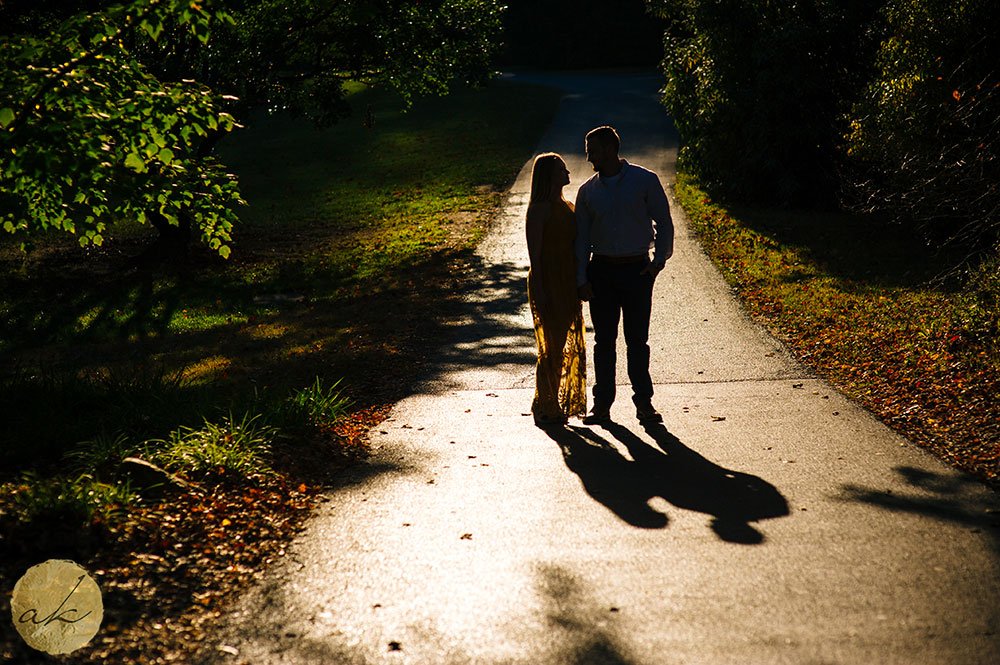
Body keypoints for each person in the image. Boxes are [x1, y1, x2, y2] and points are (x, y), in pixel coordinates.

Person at [574, 126, 673, 424]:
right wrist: (582, 279)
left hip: (636, 270)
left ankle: (644, 404)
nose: (588, 155)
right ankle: (601, 406)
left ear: (609, 150)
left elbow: (664, 223)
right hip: (601, 271)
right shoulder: (588, 191)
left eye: (592, 149)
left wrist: (658, 262)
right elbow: (580, 241)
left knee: (637, 341)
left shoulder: (644, 181)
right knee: (604, 342)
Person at [526, 152, 587, 426]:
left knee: (562, 343)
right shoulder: (539, 209)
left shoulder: (568, 206)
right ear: (550, 175)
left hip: (567, 280)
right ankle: (546, 403)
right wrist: (540, 290)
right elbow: (534, 255)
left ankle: (555, 400)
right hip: (548, 279)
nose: (569, 173)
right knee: (552, 346)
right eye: (563, 169)